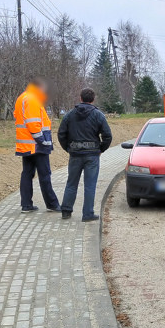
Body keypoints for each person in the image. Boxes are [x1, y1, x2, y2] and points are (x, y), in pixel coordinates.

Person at [57, 88, 113, 222]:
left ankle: (66, 211)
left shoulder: (69, 115)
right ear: (93, 99)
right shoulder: (98, 115)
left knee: (71, 183)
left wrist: (68, 148)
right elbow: (107, 136)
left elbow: (61, 134)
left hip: (75, 154)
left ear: (80, 98)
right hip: (92, 155)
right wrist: (101, 149)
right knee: (90, 185)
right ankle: (87, 214)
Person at [14, 77, 61, 213]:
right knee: (45, 175)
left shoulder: (22, 98)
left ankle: (26, 205)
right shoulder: (32, 99)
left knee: (27, 174)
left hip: (26, 144)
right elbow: (33, 123)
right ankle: (52, 204)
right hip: (37, 145)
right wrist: (43, 141)